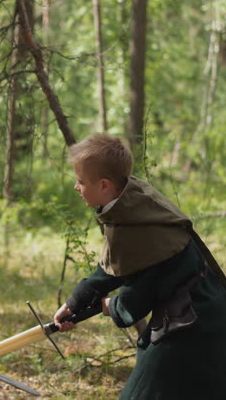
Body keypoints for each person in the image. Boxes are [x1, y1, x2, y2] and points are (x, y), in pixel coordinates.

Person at [54, 133, 226, 400]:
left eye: (80, 181)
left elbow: (136, 301)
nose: (76, 187)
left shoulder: (135, 228)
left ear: (103, 185)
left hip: (192, 324)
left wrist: (112, 307)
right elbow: (116, 264)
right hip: (202, 309)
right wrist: (77, 300)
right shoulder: (132, 201)